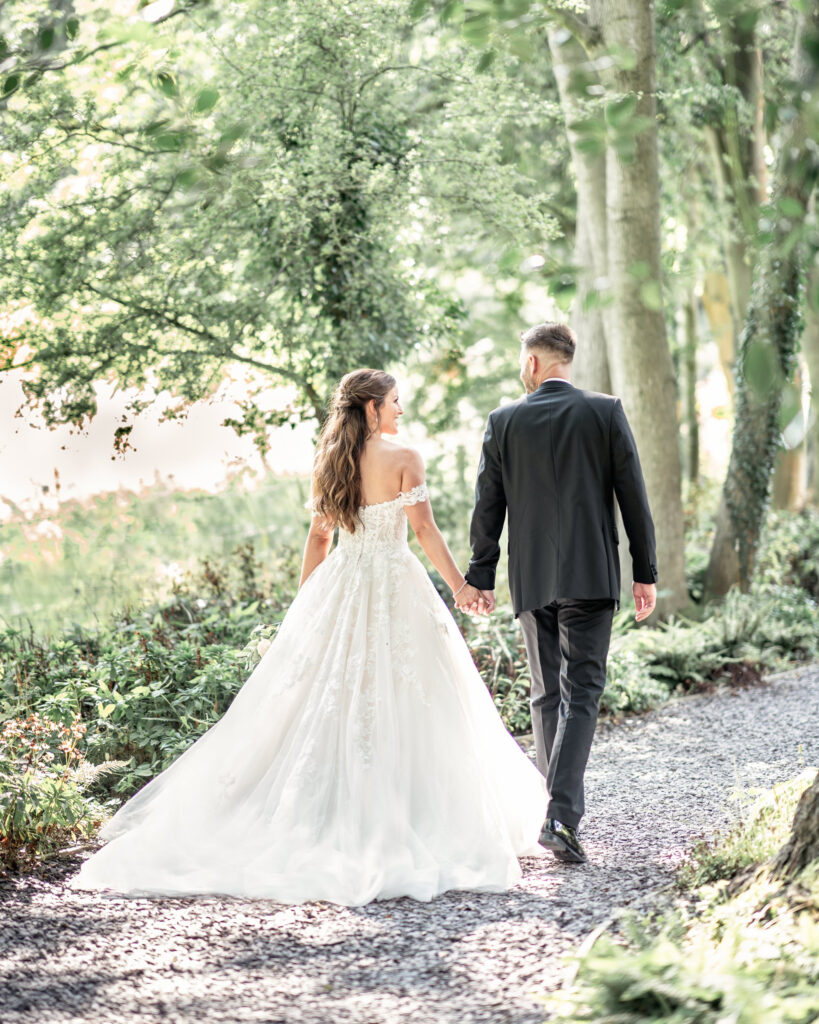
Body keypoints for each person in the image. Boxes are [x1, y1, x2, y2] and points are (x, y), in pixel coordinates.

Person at [68, 369, 547, 905]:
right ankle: (407, 811)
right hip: (393, 582)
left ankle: (326, 807)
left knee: (334, 695)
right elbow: (423, 530)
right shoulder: (404, 458)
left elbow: (319, 538)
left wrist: (307, 607)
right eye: (393, 402)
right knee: (413, 693)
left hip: (342, 583)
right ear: (371, 408)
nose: (400, 410)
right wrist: (460, 586)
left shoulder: (330, 463)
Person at [457, 322, 658, 865]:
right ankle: (561, 816)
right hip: (592, 574)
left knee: (548, 694)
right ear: (567, 362)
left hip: (532, 578)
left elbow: (488, 508)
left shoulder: (503, 421)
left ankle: (554, 813)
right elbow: (633, 496)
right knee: (583, 690)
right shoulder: (605, 411)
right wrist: (645, 570)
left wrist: (480, 574)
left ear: (532, 365)